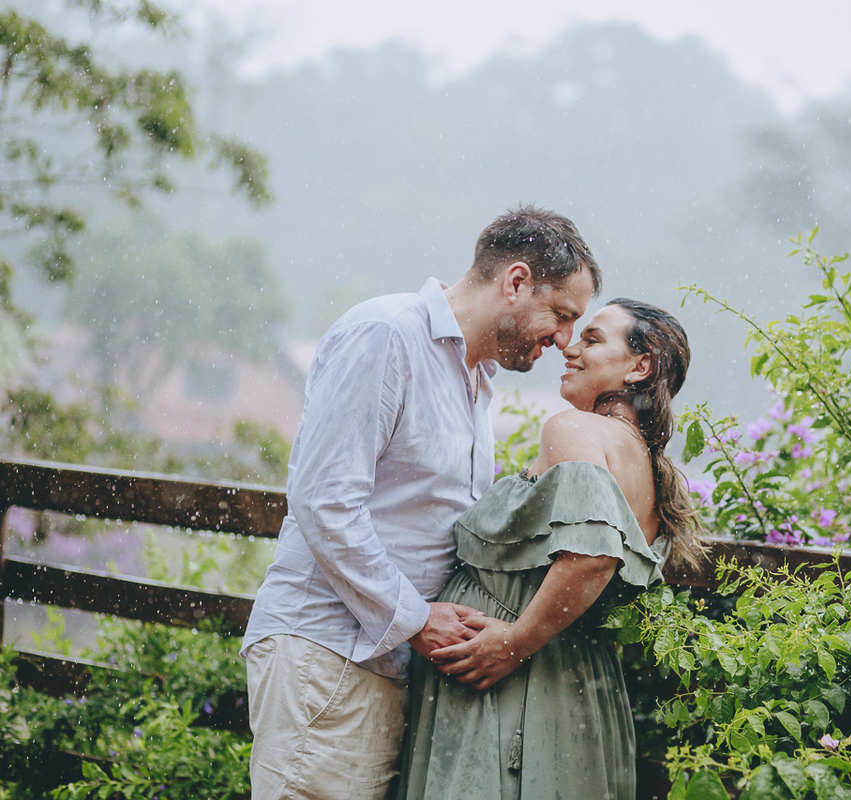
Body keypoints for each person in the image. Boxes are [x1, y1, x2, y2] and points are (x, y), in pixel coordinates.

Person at [240, 205, 602, 800]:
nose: (564, 340)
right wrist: (415, 618)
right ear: (515, 282)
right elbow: (324, 498)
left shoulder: (475, 377)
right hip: (329, 654)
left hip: (387, 664)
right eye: (562, 316)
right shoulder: (388, 335)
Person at [398, 298, 706, 800]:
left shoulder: (574, 429)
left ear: (640, 366)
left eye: (592, 339)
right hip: (577, 691)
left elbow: (593, 555)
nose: (569, 347)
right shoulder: (647, 466)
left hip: (511, 689)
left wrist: (512, 644)